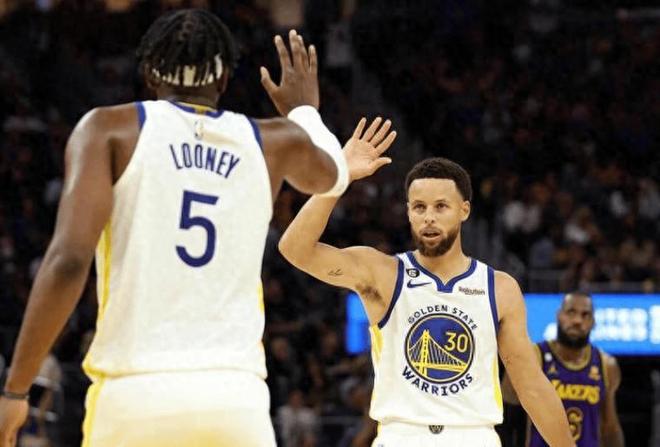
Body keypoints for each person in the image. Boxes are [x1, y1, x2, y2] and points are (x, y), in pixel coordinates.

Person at [0, 8, 390, 447]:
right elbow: (332, 174)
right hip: (235, 401)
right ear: (223, 81)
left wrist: (16, 389)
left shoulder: (108, 130)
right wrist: (303, 111)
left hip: (135, 394)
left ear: (150, 73)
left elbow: (69, 262)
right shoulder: (272, 140)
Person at [278, 131, 576, 447]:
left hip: (474, 436)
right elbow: (295, 249)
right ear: (408, 211)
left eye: (441, 206)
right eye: (419, 207)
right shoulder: (383, 272)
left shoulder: (499, 287)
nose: (429, 218)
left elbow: (531, 386)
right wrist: (340, 176)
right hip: (402, 436)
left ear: (464, 210)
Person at [501, 292, 625, 447]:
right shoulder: (535, 356)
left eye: (585, 315)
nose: (577, 320)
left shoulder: (606, 364)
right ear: (559, 315)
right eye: (571, 312)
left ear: (593, 322)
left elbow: (610, 427)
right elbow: (507, 409)